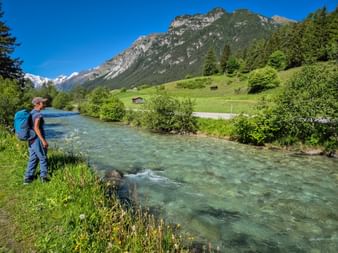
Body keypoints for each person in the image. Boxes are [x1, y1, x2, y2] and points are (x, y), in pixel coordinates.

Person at [24, 97, 49, 184]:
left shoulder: (31, 113)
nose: (45, 104)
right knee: (43, 158)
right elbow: (36, 128)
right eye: (43, 103)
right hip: (37, 139)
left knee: (33, 158)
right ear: (38, 104)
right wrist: (43, 141)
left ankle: (28, 178)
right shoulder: (38, 115)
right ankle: (44, 178)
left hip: (31, 139)